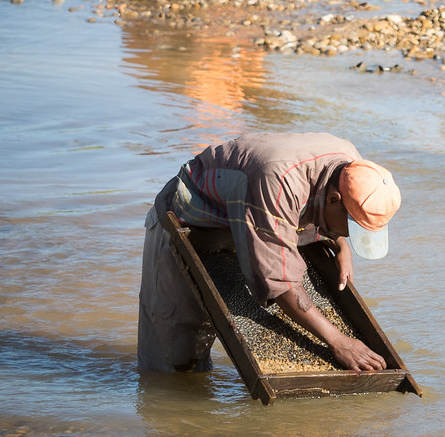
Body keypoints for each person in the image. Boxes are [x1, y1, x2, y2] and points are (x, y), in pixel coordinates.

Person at [138, 132, 401, 374]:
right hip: (191, 224)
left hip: (252, 216)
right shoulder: (276, 180)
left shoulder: (354, 166)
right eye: (352, 229)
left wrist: (341, 245)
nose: (350, 235)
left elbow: (307, 219)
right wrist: (339, 342)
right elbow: (280, 282)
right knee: (176, 359)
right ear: (334, 199)